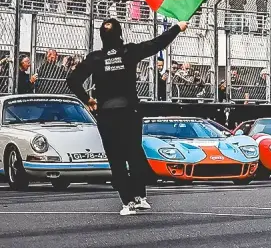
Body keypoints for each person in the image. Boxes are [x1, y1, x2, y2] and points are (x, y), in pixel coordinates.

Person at [68, 17, 185, 216]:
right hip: (129, 111)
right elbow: (157, 43)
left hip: (106, 114)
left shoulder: (95, 58)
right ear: (120, 34)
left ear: (101, 37)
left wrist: (87, 99)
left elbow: (72, 79)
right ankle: (140, 197)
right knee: (134, 153)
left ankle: (127, 202)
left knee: (116, 158)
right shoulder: (129, 52)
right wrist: (177, 28)